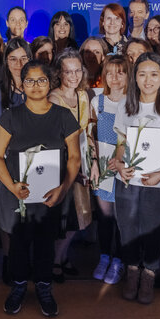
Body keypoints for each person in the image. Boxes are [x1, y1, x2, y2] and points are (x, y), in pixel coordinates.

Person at [0, 61, 81, 317]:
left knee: (45, 243)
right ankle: (18, 286)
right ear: (21, 85)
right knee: (18, 243)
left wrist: (63, 189)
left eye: (41, 80)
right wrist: (11, 186)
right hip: (18, 194)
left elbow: (74, 158)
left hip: (51, 194)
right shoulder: (11, 116)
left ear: (50, 82)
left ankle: (44, 287)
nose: (36, 85)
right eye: (29, 81)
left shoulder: (64, 116)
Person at [111, 52, 160, 304]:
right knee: (128, 230)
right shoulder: (125, 105)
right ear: (135, 77)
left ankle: (150, 274)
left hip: (158, 182)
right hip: (127, 181)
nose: (148, 80)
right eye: (142, 74)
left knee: (153, 232)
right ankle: (132, 271)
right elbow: (121, 142)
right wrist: (119, 164)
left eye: (154, 74)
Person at [48, 48, 98, 283]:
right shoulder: (53, 98)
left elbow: (87, 132)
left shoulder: (83, 96)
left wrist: (92, 161)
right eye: (68, 71)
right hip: (62, 166)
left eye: (78, 70)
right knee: (65, 219)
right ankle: (55, 261)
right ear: (59, 72)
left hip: (82, 163)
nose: (74, 75)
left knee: (80, 218)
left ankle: (62, 257)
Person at [0, 37, 32, 284]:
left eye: (23, 58)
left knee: (29, 212)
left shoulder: (37, 85)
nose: (18, 63)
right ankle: (7, 259)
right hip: (5, 159)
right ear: (6, 61)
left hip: (32, 159)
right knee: (6, 214)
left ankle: (24, 258)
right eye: (13, 59)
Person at [90, 56, 129, 284]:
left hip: (124, 168)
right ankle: (104, 256)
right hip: (103, 168)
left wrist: (121, 159)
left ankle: (119, 260)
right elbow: (91, 135)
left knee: (122, 217)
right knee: (105, 217)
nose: (115, 78)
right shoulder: (98, 102)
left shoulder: (133, 103)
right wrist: (95, 161)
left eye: (120, 72)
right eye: (110, 73)